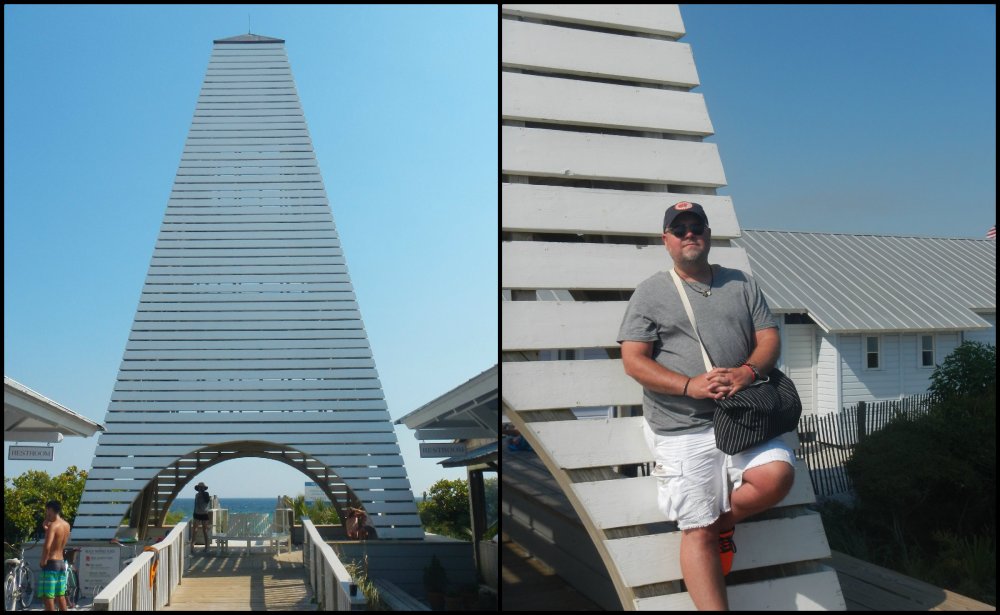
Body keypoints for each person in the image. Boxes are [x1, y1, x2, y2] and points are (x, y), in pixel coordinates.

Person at [617, 201, 795, 610]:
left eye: (696, 226)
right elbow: (633, 360)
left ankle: (724, 522)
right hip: (682, 427)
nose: (689, 234)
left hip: (745, 416)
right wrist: (688, 386)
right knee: (696, 530)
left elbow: (769, 339)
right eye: (679, 229)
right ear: (667, 240)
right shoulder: (650, 292)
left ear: (709, 234)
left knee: (776, 478)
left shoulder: (742, 282)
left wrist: (746, 373)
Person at [38, 500, 71, 611]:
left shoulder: (53, 526)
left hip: (51, 564)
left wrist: (43, 560)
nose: (46, 513)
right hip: (61, 563)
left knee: (48, 596)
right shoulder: (66, 525)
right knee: (60, 595)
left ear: (50, 510)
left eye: (47, 510)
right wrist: (46, 525)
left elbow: (47, 546)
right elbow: (58, 540)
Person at [190, 482, 212, 554]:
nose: (200, 489)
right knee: (195, 531)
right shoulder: (196, 495)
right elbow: (195, 504)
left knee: (204, 531)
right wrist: (194, 513)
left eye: (201, 487)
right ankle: (192, 547)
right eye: (200, 487)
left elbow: (207, 501)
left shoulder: (206, 494)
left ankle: (206, 547)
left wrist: (202, 494)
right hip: (197, 514)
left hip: (204, 514)